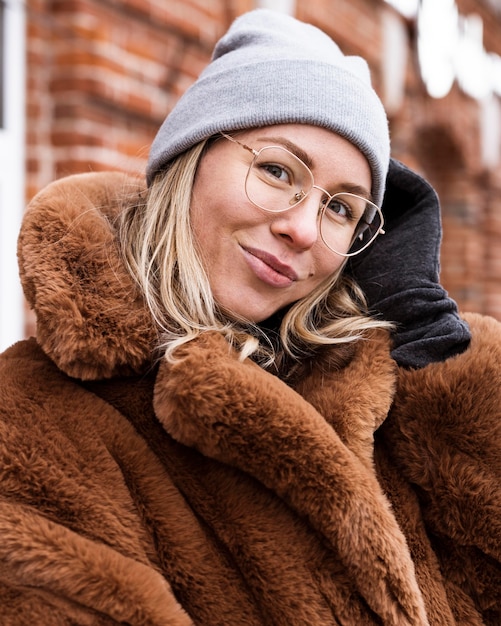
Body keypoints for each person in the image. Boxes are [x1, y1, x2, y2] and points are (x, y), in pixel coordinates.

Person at [0, 8, 498, 626]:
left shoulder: (377, 390)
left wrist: (434, 360)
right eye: (276, 170)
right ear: (192, 158)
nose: (302, 229)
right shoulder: (28, 419)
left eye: (341, 208)